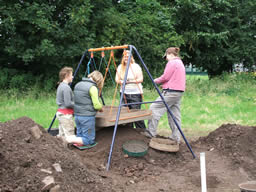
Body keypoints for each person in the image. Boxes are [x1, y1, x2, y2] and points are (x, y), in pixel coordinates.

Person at [145, 47, 186, 144]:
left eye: (166, 56)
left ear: (170, 54)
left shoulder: (172, 62)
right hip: (178, 92)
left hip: (171, 91)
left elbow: (166, 77)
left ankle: (150, 132)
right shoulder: (180, 63)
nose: (166, 58)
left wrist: (155, 81)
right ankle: (176, 137)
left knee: (154, 108)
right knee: (174, 115)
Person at [66, 70, 103, 146]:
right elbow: (96, 105)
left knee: (80, 136)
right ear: (99, 80)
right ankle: (69, 139)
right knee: (89, 140)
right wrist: (101, 107)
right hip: (87, 117)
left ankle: (75, 141)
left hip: (77, 115)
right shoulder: (92, 88)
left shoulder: (78, 84)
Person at [115, 50, 146, 129]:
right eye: (125, 56)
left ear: (131, 57)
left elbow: (140, 79)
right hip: (124, 93)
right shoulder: (120, 67)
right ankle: (129, 132)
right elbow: (117, 79)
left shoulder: (136, 66)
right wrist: (122, 81)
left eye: (128, 56)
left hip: (135, 93)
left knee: (135, 113)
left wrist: (129, 81)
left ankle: (142, 131)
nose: (126, 58)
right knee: (125, 113)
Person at [56, 67, 75, 141]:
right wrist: (77, 106)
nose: (72, 77)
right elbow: (68, 103)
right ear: (67, 76)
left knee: (62, 136)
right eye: (71, 75)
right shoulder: (66, 87)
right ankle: (70, 152)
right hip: (66, 115)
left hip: (61, 113)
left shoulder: (60, 85)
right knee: (70, 136)